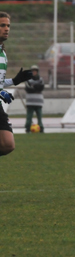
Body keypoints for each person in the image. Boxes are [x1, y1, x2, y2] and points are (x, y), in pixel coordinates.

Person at [0, 11, 33, 156]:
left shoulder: (3, 52)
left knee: (7, 144)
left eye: (8, 25)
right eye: (2, 25)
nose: (6, 28)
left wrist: (14, 81)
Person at [24, 65, 45, 133]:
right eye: (32, 71)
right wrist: (36, 87)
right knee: (29, 116)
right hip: (30, 102)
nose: (34, 72)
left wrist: (34, 87)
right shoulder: (27, 79)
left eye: (35, 71)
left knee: (39, 116)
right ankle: (27, 127)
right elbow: (28, 89)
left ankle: (41, 127)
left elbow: (41, 87)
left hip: (38, 102)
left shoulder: (41, 79)